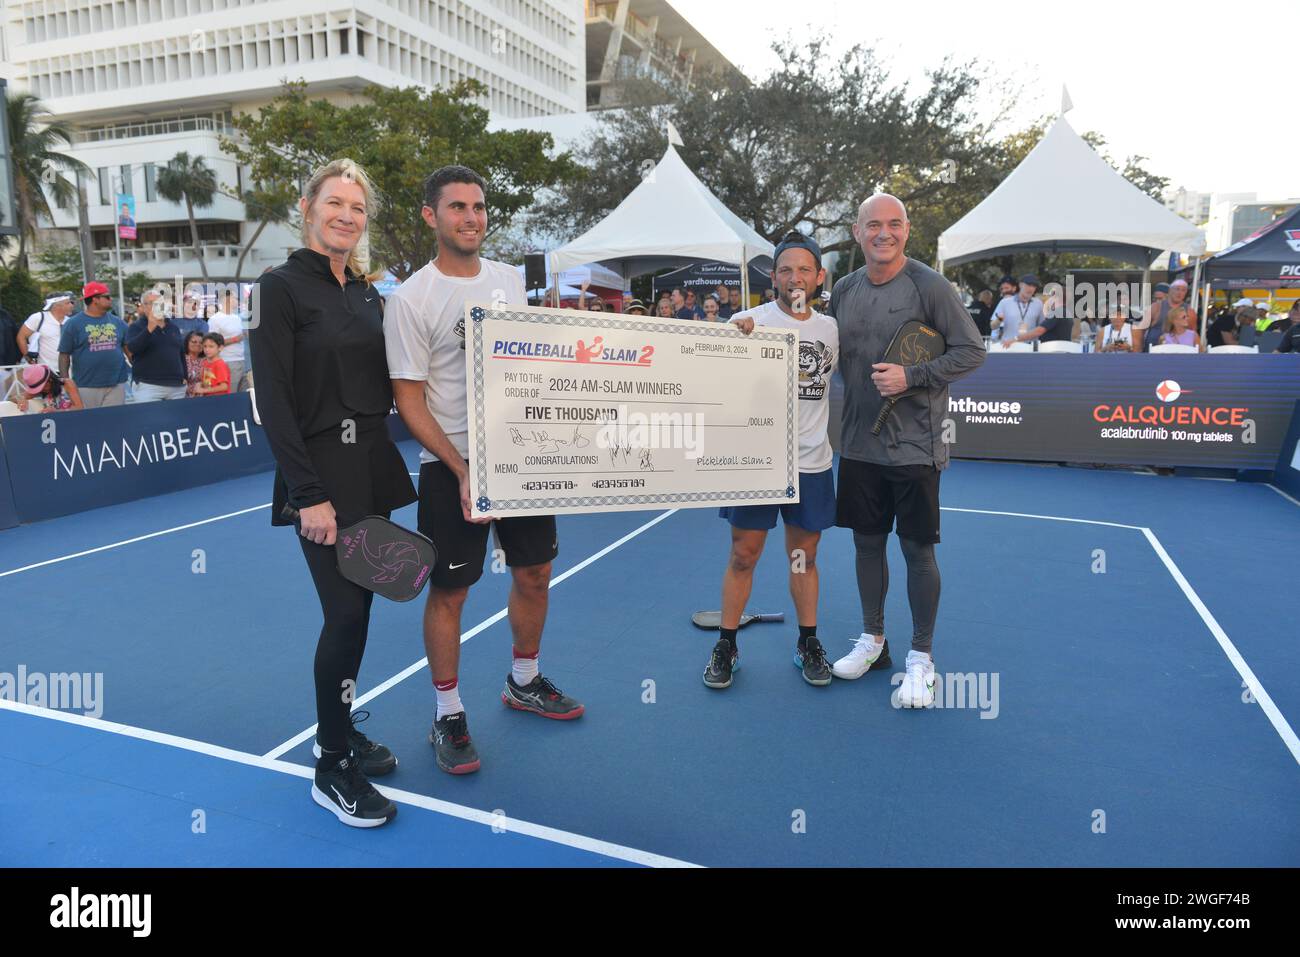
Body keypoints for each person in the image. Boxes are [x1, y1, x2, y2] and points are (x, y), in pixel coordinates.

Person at [385, 164, 582, 778]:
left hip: (520, 458)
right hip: (451, 467)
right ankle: (447, 711)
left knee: (535, 572)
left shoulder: (508, 282)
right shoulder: (412, 299)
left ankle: (523, 679)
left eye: (478, 207)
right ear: (431, 216)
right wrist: (461, 466)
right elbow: (409, 399)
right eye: (457, 208)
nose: (471, 218)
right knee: (452, 591)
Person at [249, 157, 417, 828]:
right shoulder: (278, 287)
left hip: (369, 465)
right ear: (307, 206)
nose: (347, 214)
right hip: (319, 476)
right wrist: (306, 491)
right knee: (345, 615)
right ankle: (330, 767)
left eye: (358, 207)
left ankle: (338, 730)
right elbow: (274, 401)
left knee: (364, 610)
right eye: (336, 202)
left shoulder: (368, 294)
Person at [826, 194, 985, 707]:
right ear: (857, 232)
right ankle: (874, 640)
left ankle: (922, 658)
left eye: (894, 224)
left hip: (915, 447)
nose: (883, 233)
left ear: (907, 231)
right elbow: (821, 350)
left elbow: (971, 350)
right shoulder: (844, 289)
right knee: (866, 545)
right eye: (874, 225)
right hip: (856, 445)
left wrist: (912, 376)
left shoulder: (929, 285)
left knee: (917, 550)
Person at [704, 232, 839, 690]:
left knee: (803, 556)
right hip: (756, 462)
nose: (795, 277)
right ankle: (726, 642)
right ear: (773, 276)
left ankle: (807, 642)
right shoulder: (746, 322)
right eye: (786, 269)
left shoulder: (830, 329)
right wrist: (730, 343)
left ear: (819, 277)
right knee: (744, 554)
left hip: (811, 463)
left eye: (804, 269)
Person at [57, 281, 130, 408]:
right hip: (86, 385)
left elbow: (128, 350)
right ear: (95, 299)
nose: (110, 299)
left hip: (117, 383)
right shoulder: (73, 324)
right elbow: (64, 354)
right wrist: (66, 380)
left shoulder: (118, 322)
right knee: (90, 424)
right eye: (107, 297)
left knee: (115, 423)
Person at [125, 290, 188, 401]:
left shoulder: (173, 327)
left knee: (177, 418)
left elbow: (180, 354)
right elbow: (132, 349)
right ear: (144, 307)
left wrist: (185, 376)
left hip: (176, 387)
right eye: (152, 303)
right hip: (148, 386)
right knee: (149, 418)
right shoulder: (135, 327)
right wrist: (149, 329)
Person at [18, 293, 75, 369]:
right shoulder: (38, 318)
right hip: (46, 371)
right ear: (56, 306)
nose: (71, 305)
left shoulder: (71, 321)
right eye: (68, 303)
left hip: (70, 370)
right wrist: (28, 358)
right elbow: (21, 337)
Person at [207, 290, 250, 392]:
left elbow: (242, 336)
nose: (237, 301)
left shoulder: (237, 318)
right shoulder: (215, 319)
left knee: (243, 395)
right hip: (227, 362)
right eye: (235, 298)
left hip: (243, 361)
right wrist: (235, 339)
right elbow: (211, 344)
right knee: (231, 395)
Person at [992, 275, 1044, 348]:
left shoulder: (1038, 303)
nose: (1031, 288)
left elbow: (1041, 327)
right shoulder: (1005, 302)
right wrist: (999, 320)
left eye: (1034, 286)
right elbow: (993, 326)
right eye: (1028, 285)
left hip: (1030, 347)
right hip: (1008, 346)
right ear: (1020, 285)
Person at [15, 363, 81, 413]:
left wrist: (57, 411)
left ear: (50, 379)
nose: (42, 390)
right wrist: (21, 399)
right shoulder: (39, 390)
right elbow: (13, 398)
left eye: (43, 387)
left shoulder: (67, 383)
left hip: (72, 422)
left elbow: (80, 408)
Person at [182, 331, 205, 396]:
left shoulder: (206, 361)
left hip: (202, 396)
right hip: (182, 395)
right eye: (194, 342)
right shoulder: (181, 359)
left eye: (201, 343)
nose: (198, 344)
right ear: (187, 343)